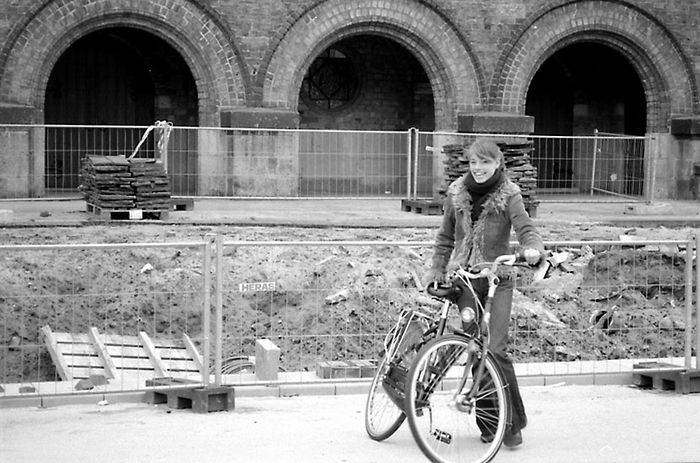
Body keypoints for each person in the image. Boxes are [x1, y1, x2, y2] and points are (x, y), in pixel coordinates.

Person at [424, 137, 544, 448]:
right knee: (475, 349)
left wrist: (532, 248)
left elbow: (525, 227)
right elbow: (445, 237)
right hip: (465, 280)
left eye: (485, 162)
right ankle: (491, 424)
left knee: (495, 349)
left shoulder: (510, 194)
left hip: (496, 278)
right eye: (474, 162)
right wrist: (438, 270)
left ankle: (512, 423)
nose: (478, 168)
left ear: (497, 164)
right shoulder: (457, 193)